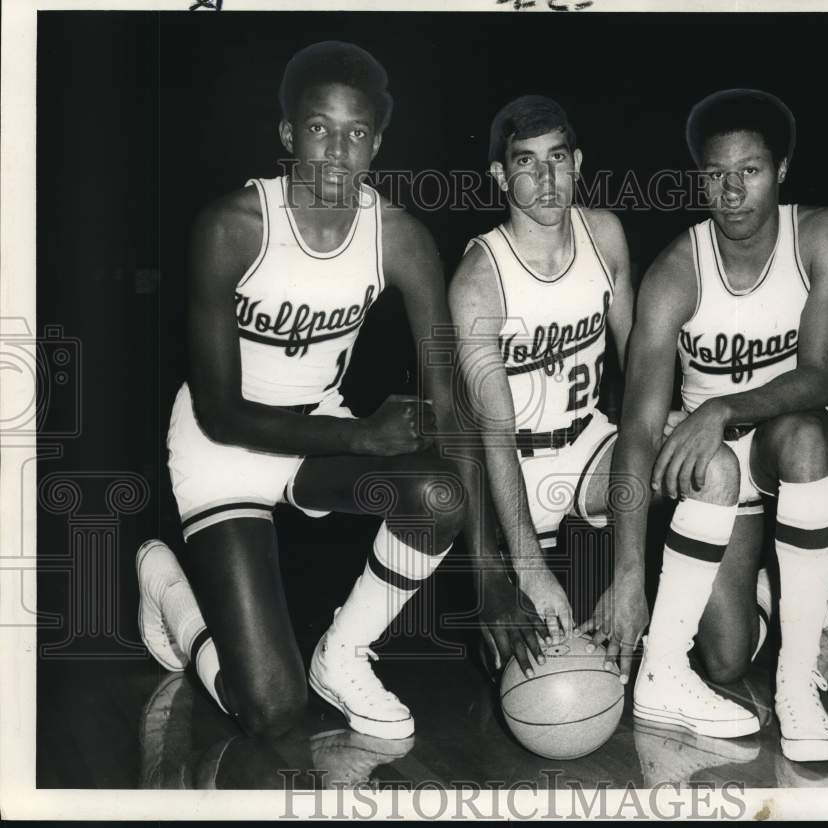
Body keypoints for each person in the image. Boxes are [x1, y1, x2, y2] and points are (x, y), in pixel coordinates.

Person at [136, 41, 466, 743]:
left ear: (376, 144)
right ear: (289, 134)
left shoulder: (400, 239)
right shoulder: (231, 228)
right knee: (272, 713)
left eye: (355, 134)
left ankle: (343, 655)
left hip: (315, 432)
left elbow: (449, 399)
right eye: (319, 128)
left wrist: (498, 572)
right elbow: (221, 413)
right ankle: (169, 591)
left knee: (439, 495)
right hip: (219, 446)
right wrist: (360, 436)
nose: (336, 153)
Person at [613, 89, 828, 760]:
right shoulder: (673, 273)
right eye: (716, 173)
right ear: (699, 178)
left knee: (807, 434)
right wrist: (630, 572)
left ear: (781, 169)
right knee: (722, 662)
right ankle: (784, 588)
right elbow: (636, 431)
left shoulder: (823, 234)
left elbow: (820, 376)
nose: (731, 189)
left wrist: (721, 408)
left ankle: (797, 681)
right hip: (714, 475)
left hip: (779, 440)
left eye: (748, 170)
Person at [448, 95, 643, 682]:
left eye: (557, 158)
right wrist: (528, 565)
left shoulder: (605, 235)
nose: (545, 178)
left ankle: (740, 583)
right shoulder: (479, 279)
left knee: (702, 464)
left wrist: (669, 426)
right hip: (514, 467)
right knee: (526, 674)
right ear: (499, 175)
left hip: (589, 444)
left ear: (578, 161)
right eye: (525, 163)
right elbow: (495, 433)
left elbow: (638, 364)